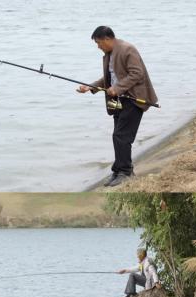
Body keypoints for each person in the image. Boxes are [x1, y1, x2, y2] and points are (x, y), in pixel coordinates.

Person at [77, 26, 158, 187]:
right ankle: (119, 170)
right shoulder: (109, 54)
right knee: (118, 135)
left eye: (99, 43)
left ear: (107, 39)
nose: (98, 46)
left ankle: (125, 172)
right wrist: (90, 87)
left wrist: (118, 88)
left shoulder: (127, 49)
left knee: (121, 136)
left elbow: (137, 73)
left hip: (134, 99)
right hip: (119, 101)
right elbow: (108, 78)